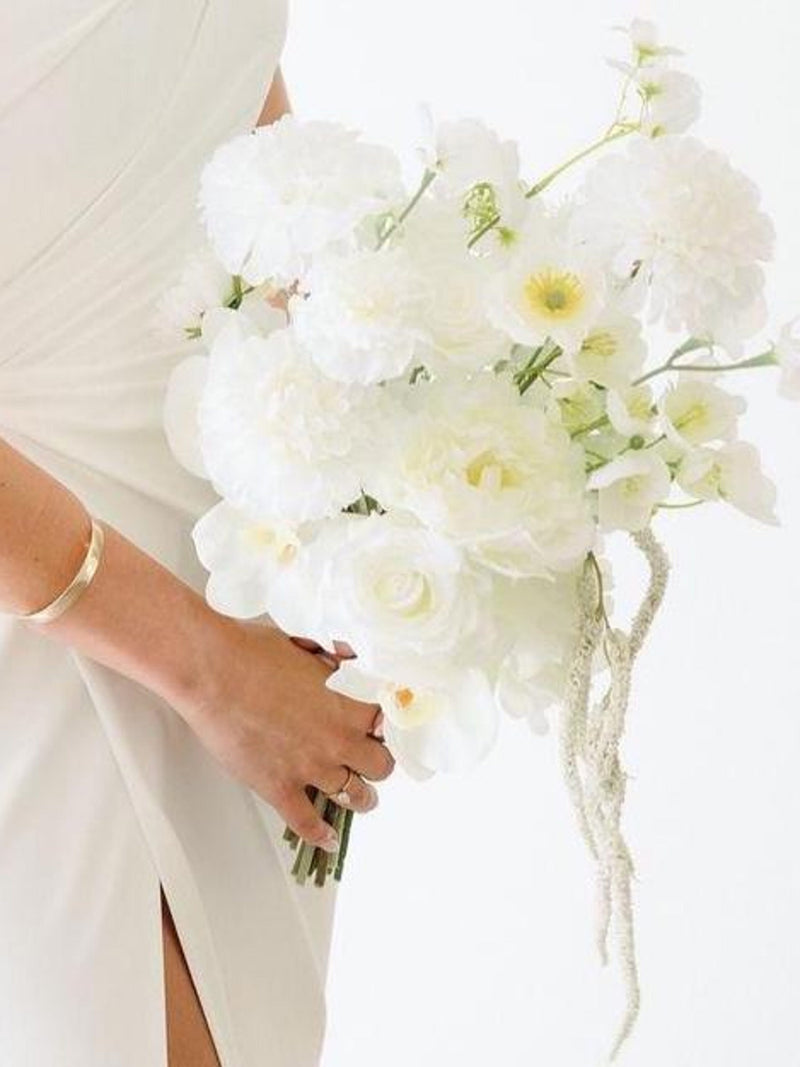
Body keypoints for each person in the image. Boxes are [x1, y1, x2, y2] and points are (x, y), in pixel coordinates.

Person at [0, 3, 393, 1065]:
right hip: (55, 610)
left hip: (232, 575)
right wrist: (212, 673)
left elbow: (240, 168)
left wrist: (401, 446)